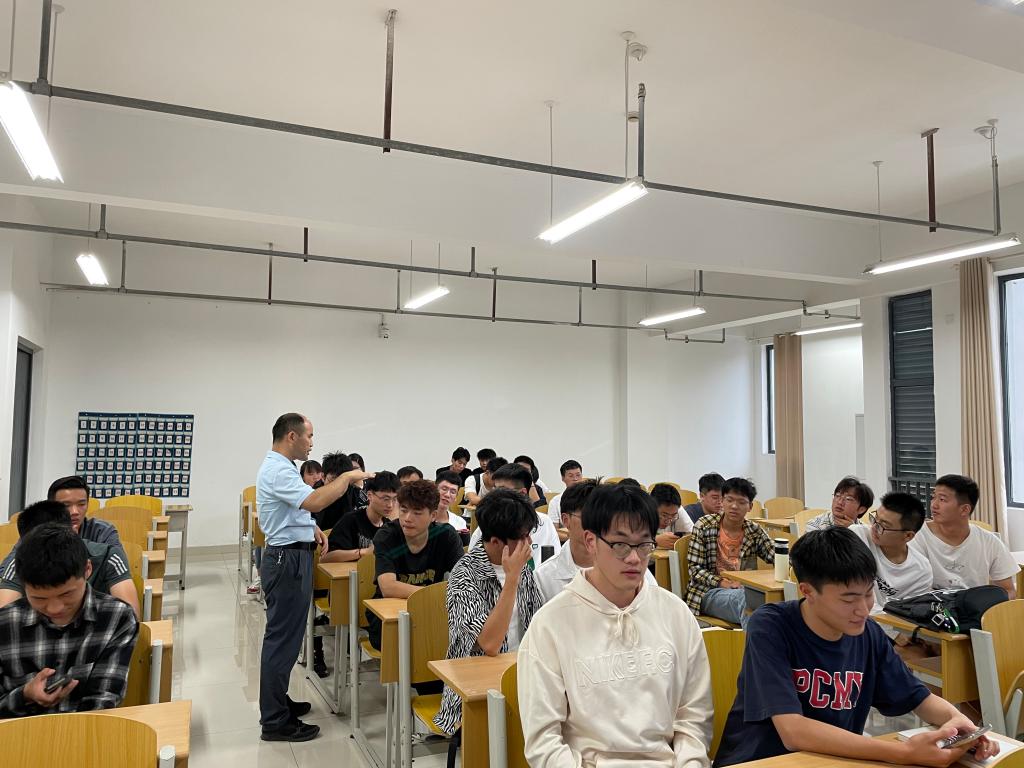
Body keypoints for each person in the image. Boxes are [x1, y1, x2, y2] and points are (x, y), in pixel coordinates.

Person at [714, 527, 999, 767]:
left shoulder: (868, 634)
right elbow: (793, 731)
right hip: (760, 760)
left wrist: (958, 721)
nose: (863, 609)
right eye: (849, 600)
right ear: (808, 591)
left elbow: (917, 698)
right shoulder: (771, 626)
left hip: (833, 760)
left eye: (868, 594)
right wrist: (904, 753)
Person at [518, 483, 713, 768]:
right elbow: (544, 741)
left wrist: (690, 764)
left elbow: (693, 717)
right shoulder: (551, 624)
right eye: (620, 545)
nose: (634, 558)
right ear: (591, 541)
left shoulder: (675, 614)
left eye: (644, 545)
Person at [255, 413, 372, 742]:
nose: (311, 443)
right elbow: (316, 500)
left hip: (293, 555)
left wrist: (311, 528)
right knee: (281, 640)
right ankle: (274, 720)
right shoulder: (278, 469)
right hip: (287, 559)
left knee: (288, 639)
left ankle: (278, 702)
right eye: (309, 436)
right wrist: (346, 477)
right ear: (291, 436)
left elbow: (295, 510)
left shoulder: (283, 467)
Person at [433, 489, 545, 735]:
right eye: (522, 537)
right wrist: (512, 579)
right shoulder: (464, 575)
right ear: (495, 542)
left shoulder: (521, 566)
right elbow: (490, 644)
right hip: (475, 690)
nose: (528, 543)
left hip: (523, 676)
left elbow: (536, 624)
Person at [0, 523, 139, 717]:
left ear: (87, 569)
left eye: (66, 594)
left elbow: (102, 701)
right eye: (39, 598)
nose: (54, 608)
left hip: (87, 730)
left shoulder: (116, 617)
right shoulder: (6, 623)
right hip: (15, 733)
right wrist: (25, 695)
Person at [367, 480, 464, 650]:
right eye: (403, 510)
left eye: (417, 513)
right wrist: (433, 595)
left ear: (433, 515)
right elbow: (388, 587)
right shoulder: (387, 536)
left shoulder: (446, 535)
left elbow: (463, 580)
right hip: (388, 616)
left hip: (431, 610)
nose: (407, 518)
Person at [0, 502, 139, 619]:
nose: (55, 608)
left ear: (74, 531)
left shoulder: (108, 556)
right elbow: (4, 618)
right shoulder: (19, 563)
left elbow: (131, 618)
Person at [535, 480, 657, 601]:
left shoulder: (630, 568)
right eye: (587, 517)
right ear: (566, 520)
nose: (598, 524)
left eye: (605, 518)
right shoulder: (544, 577)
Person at [909, 474, 1018, 598]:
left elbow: (1008, 590)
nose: (934, 505)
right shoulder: (916, 537)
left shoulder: (989, 542)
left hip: (974, 607)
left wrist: (986, 604)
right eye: (933, 497)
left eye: (942, 499)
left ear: (965, 510)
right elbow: (912, 589)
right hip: (930, 606)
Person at [685, 477, 774, 628]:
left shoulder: (754, 531)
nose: (734, 506)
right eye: (729, 500)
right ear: (722, 501)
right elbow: (695, 569)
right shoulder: (704, 525)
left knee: (770, 600)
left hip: (743, 590)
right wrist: (722, 582)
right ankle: (753, 643)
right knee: (749, 600)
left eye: (741, 502)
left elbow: (776, 555)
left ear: (750, 506)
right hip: (708, 592)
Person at [849, 493, 933, 651]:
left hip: (892, 636)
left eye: (883, 526)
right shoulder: (857, 537)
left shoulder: (921, 570)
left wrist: (898, 634)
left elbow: (911, 615)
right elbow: (853, 595)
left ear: (908, 535)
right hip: (853, 624)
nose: (874, 528)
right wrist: (892, 632)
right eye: (875, 519)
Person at [0, 476, 121, 579]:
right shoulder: (38, 531)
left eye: (81, 504)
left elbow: (118, 571)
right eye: (66, 505)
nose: (75, 512)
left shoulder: (103, 531)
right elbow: (5, 571)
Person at [467, 463, 561, 561]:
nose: (495, 496)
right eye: (494, 489)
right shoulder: (489, 523)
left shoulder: (544, 522)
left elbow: (554, 560)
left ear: (522, 493)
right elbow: (472, 562)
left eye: (502, 490)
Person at [323, 471, 400, 563]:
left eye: (395, 499)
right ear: (370, 495)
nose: (390, 505)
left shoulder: (389, 527)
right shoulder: (351, 520)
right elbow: (326, 558)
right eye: (386, 499)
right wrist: (365, 552)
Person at [806, 477, 873, 532]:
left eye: (848, 499)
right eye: (837, 495)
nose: (840, 502)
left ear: (861, 509)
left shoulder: (866, 532)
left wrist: (853, 530)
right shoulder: (815, 525)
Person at [652, 483, 693, 550]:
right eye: (664, 515)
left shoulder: (677, 510)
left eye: (673, 516)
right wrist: (654, 541)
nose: (668, 521)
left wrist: (681, 541)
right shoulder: (642, 512)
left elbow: (692, 536)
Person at [545, 459, 584, 527]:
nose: (575, 479)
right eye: (571, 476)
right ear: (563, 478)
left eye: (578, 475)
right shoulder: (555, 502)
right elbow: (554, 530)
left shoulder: (592, 496)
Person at [434, 471, 469, 537]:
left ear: (456, 498)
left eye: (453, 492)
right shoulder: (421, 517)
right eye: (444, 489)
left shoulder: (460, 523)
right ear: (434, 490)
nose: (447, 495)